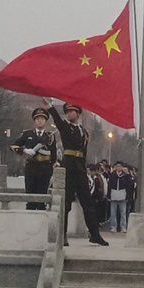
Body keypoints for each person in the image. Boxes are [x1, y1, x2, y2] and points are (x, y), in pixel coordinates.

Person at [48, 103, 110, 246]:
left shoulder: (83, 131)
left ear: (78, 114)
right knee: (66, 204)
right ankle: (62, 235)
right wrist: (50, 108)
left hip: (80, 169)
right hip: (69, 167)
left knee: (88, 203)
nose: (69, 114)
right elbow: (57, 120)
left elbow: (84, 152)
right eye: (68, 112)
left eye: (72, 111)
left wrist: (84, 168)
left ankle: (95, 235)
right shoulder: (65, 127)